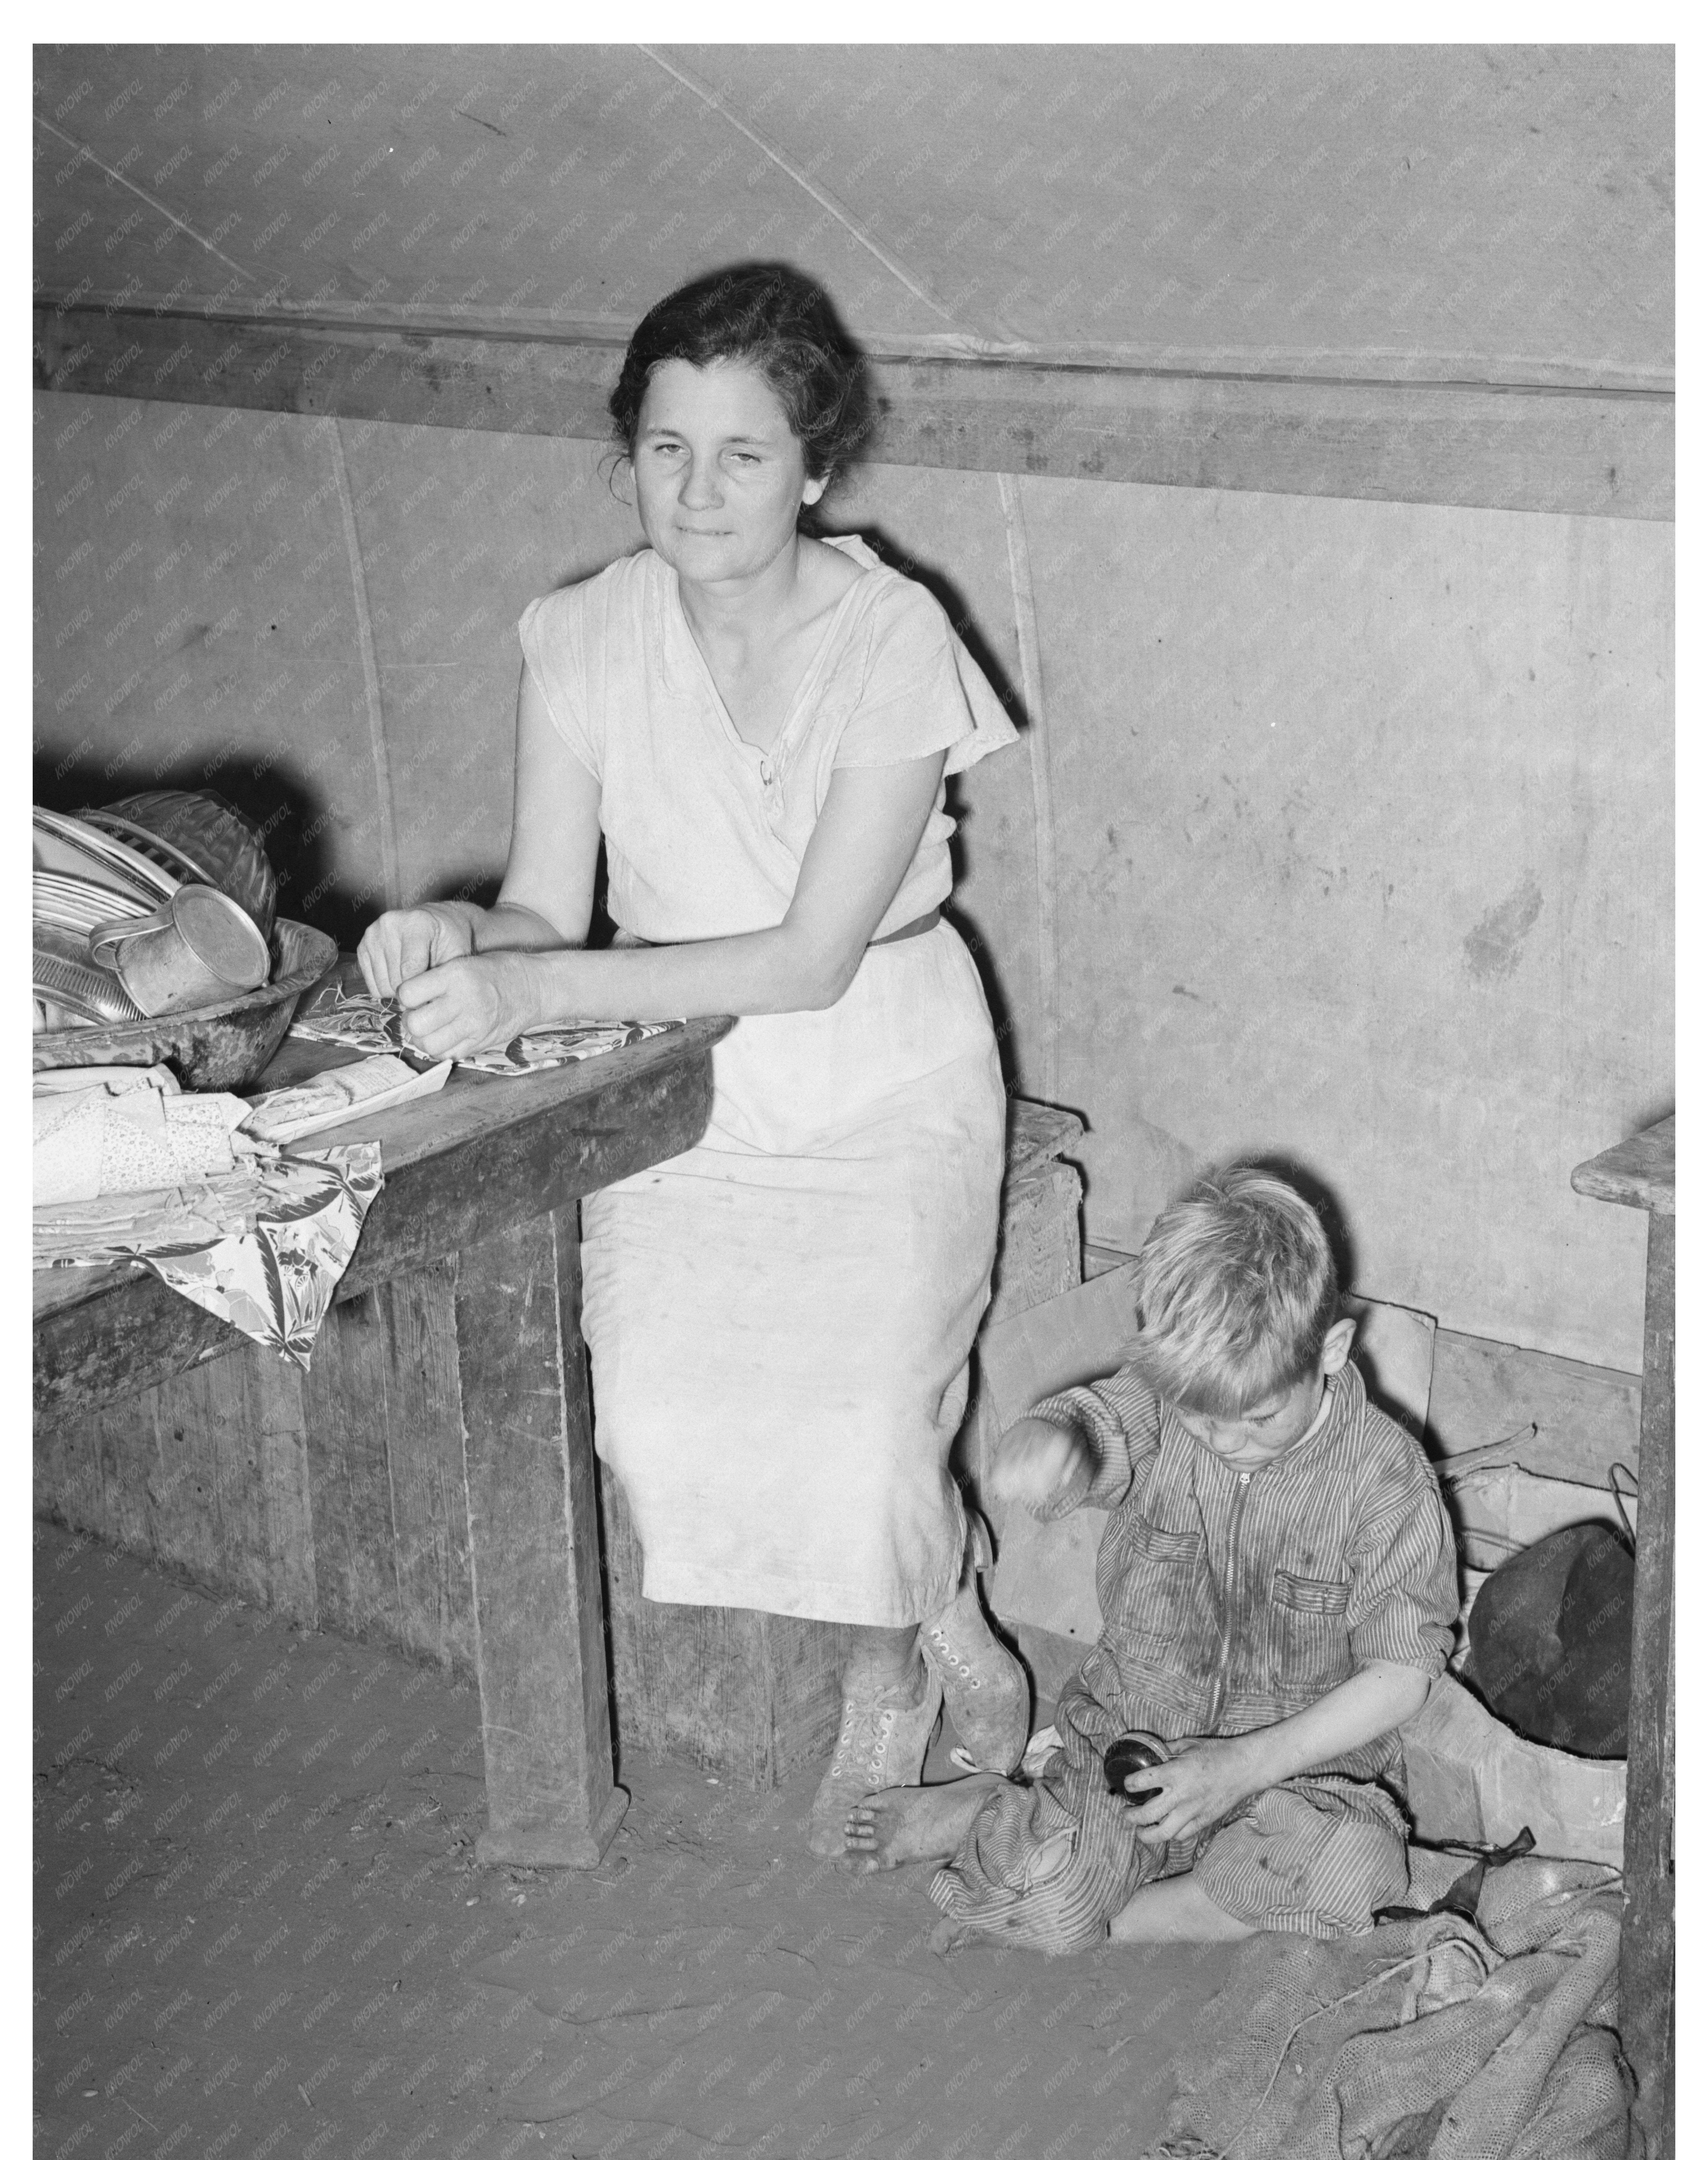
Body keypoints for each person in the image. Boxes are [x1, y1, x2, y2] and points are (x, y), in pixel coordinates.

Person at [356, 262, 1030, 1853]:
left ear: (812, 465)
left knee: (870, 1438)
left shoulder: (891, 637)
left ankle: (911, 1660)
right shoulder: (579, 636)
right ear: (627, 459)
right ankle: (932, 1602)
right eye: (667, 450)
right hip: (677, 1094)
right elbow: (538, 905)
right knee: (655, 1433)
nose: (700, 489)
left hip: (877, 1072)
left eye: (742, 454)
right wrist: (454, 936)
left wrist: (532, 995)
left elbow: (805, 959)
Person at [840, 1166, 1460, 1953]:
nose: (1227, 1441)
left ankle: (1100, 1910)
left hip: (1292, 1776)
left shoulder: (1386, 1478)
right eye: (1201, 1418)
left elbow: (1402, 1675)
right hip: (1130, 1746)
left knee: (1354, 1872)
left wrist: (1241, 1767)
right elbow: (1100, 1424)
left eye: (1258, 1416)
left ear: (1330, 1350)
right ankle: (1011, 1821)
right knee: (1048, 1904)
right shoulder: (1165, 1405)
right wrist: (1055, 1444)